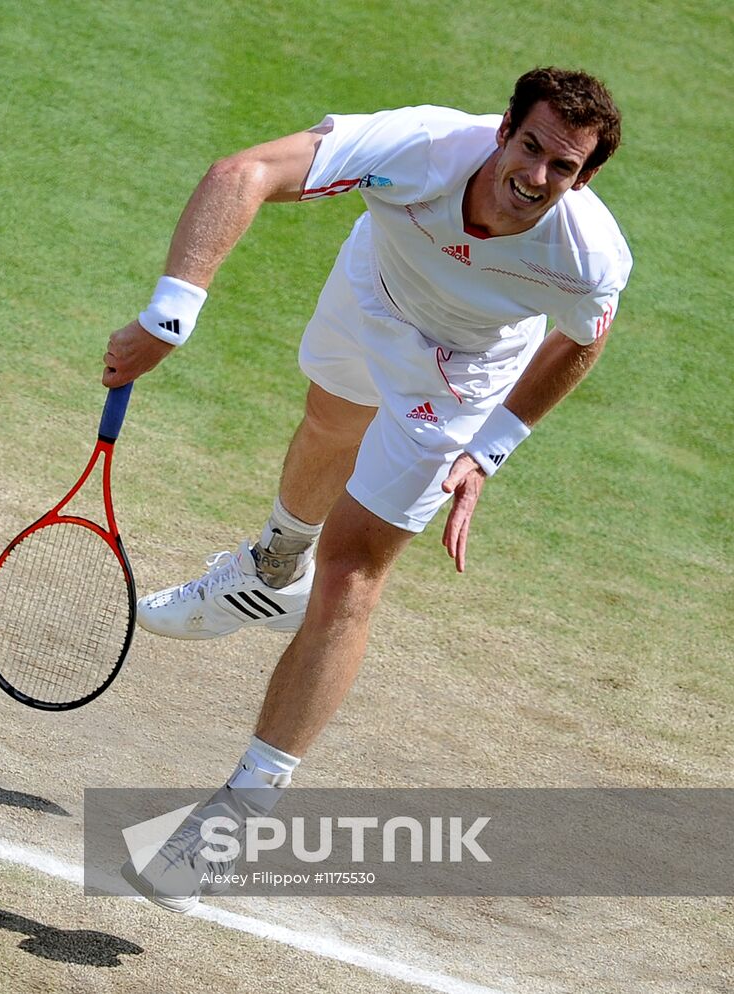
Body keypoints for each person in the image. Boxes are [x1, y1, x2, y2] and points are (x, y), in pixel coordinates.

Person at [105, 67, 630, 912]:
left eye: (563, 168)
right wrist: (170, 313)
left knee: (353, 572)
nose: (536, 177)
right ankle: (273, 571)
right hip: (371, 292)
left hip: (460, 376)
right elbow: (244, 173)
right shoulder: (420, 145)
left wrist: (491, 448)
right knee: (327, 425)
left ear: (584, 178)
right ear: (502, 130)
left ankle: (236, 818)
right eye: (530, 147)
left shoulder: (588, 256)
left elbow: (583, 341)